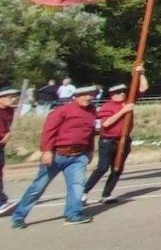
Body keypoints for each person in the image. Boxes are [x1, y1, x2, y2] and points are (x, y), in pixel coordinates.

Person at [11, 84, 105, 228]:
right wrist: (47, 151)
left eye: (91, 94)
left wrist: (90, 150)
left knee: (77, 186)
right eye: (84, 94)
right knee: (38, 187)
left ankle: (73, 214)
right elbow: (49, 132)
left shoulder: (92, 111)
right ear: (76, 97)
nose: (88, 97)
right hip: (57, 154)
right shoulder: (62, 111)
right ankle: (19, 216)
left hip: (79, 156)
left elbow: (91, 133)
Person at [83, 67, 150, 205]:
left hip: (124, 140)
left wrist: (141, 73)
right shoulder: (107, 106)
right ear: (112, 95)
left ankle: (106, 194)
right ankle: (84, 193)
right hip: (108, 141)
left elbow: (143, 87)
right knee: (102, 168)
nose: (122, 94)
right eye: (118, 93)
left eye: (123, 92)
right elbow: (106, 124)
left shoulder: (128, 101)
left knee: (117, 168)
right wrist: (123, 111)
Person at [0, 86, 17, 216]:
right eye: (9, 97)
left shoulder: (10, 111)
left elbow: (9, 127)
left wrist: (8, 134)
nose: (13, 99)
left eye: (13, 96)